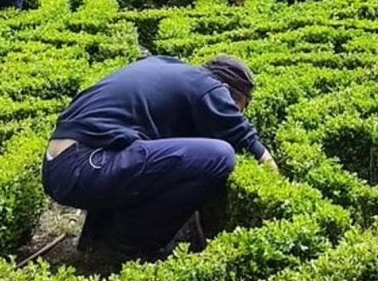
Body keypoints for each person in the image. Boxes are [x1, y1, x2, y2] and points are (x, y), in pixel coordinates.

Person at [42, 55, 278, 264]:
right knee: (219, 156)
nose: (233, 113)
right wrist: (275, 187)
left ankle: (96, 240)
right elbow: (246, 139)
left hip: (66, 162)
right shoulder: (208, 86)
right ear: (225, 89)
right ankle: (124, 247)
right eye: (238, 108)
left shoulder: (166, 67)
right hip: (83, 165)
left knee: (158, 158)